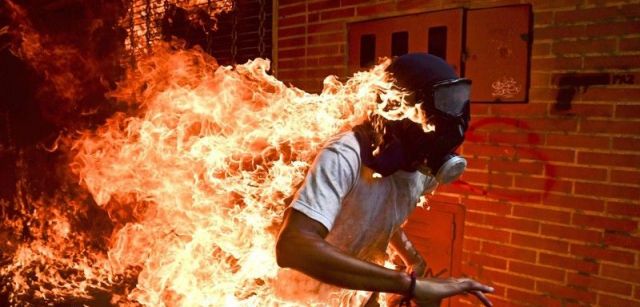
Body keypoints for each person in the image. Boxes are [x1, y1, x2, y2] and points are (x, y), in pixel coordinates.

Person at [275, 53, 493, 306]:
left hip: (359, 294)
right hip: (303, 298)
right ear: (399, 106)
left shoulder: (422, 169)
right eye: (445, 101)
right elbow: (293, 246)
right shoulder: (346, 155)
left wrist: (413, 259)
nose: (454, 117)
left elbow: (379, 214)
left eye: (458, 101)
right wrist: (410, 285)